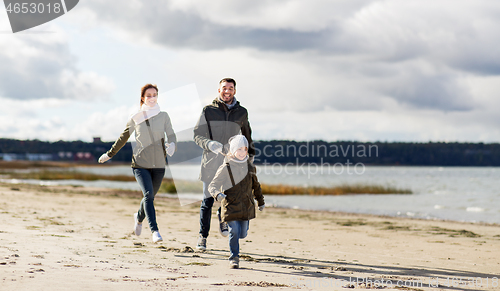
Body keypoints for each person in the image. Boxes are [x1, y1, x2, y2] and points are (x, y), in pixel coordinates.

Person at [98, 83, 176, 243]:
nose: (152, 98)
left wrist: (172, 145)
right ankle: (155, 231)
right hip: (140, 164)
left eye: (154, 95)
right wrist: (109, 154)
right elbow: (123, 137)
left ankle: (139, 217)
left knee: (150, 197)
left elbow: (171, 135)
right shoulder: (136, 117)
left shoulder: (164, 116)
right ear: (143, 98)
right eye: (148, 95)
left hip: (159, 164)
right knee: (148, 195)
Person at [193, 78, 255, 250]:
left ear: (235, 91)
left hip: (232, 165)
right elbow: (197, 135)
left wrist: (251, 156)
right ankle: (202, 237)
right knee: (207, 201)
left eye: (230, 88)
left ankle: (222, 219)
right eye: (224, 88)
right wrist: (210, 144)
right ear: (218, 90)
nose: (227, 91)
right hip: (210, 163)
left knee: (229, 198)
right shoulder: (208, 110)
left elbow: (247, 136)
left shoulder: (242, 112)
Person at [208, 135, 265, 269]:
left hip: (246, 206)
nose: (242, 152)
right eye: (239, 149)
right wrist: (217, 194)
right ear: (233, 151)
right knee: (234, 232)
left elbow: (256, 186)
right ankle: (234, 258)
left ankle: (220, 216)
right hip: (230, 205)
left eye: (244, 149)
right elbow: (212, 185)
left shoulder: (250, 168)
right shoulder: (226, 167)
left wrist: (260, 201)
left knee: (242, 234)